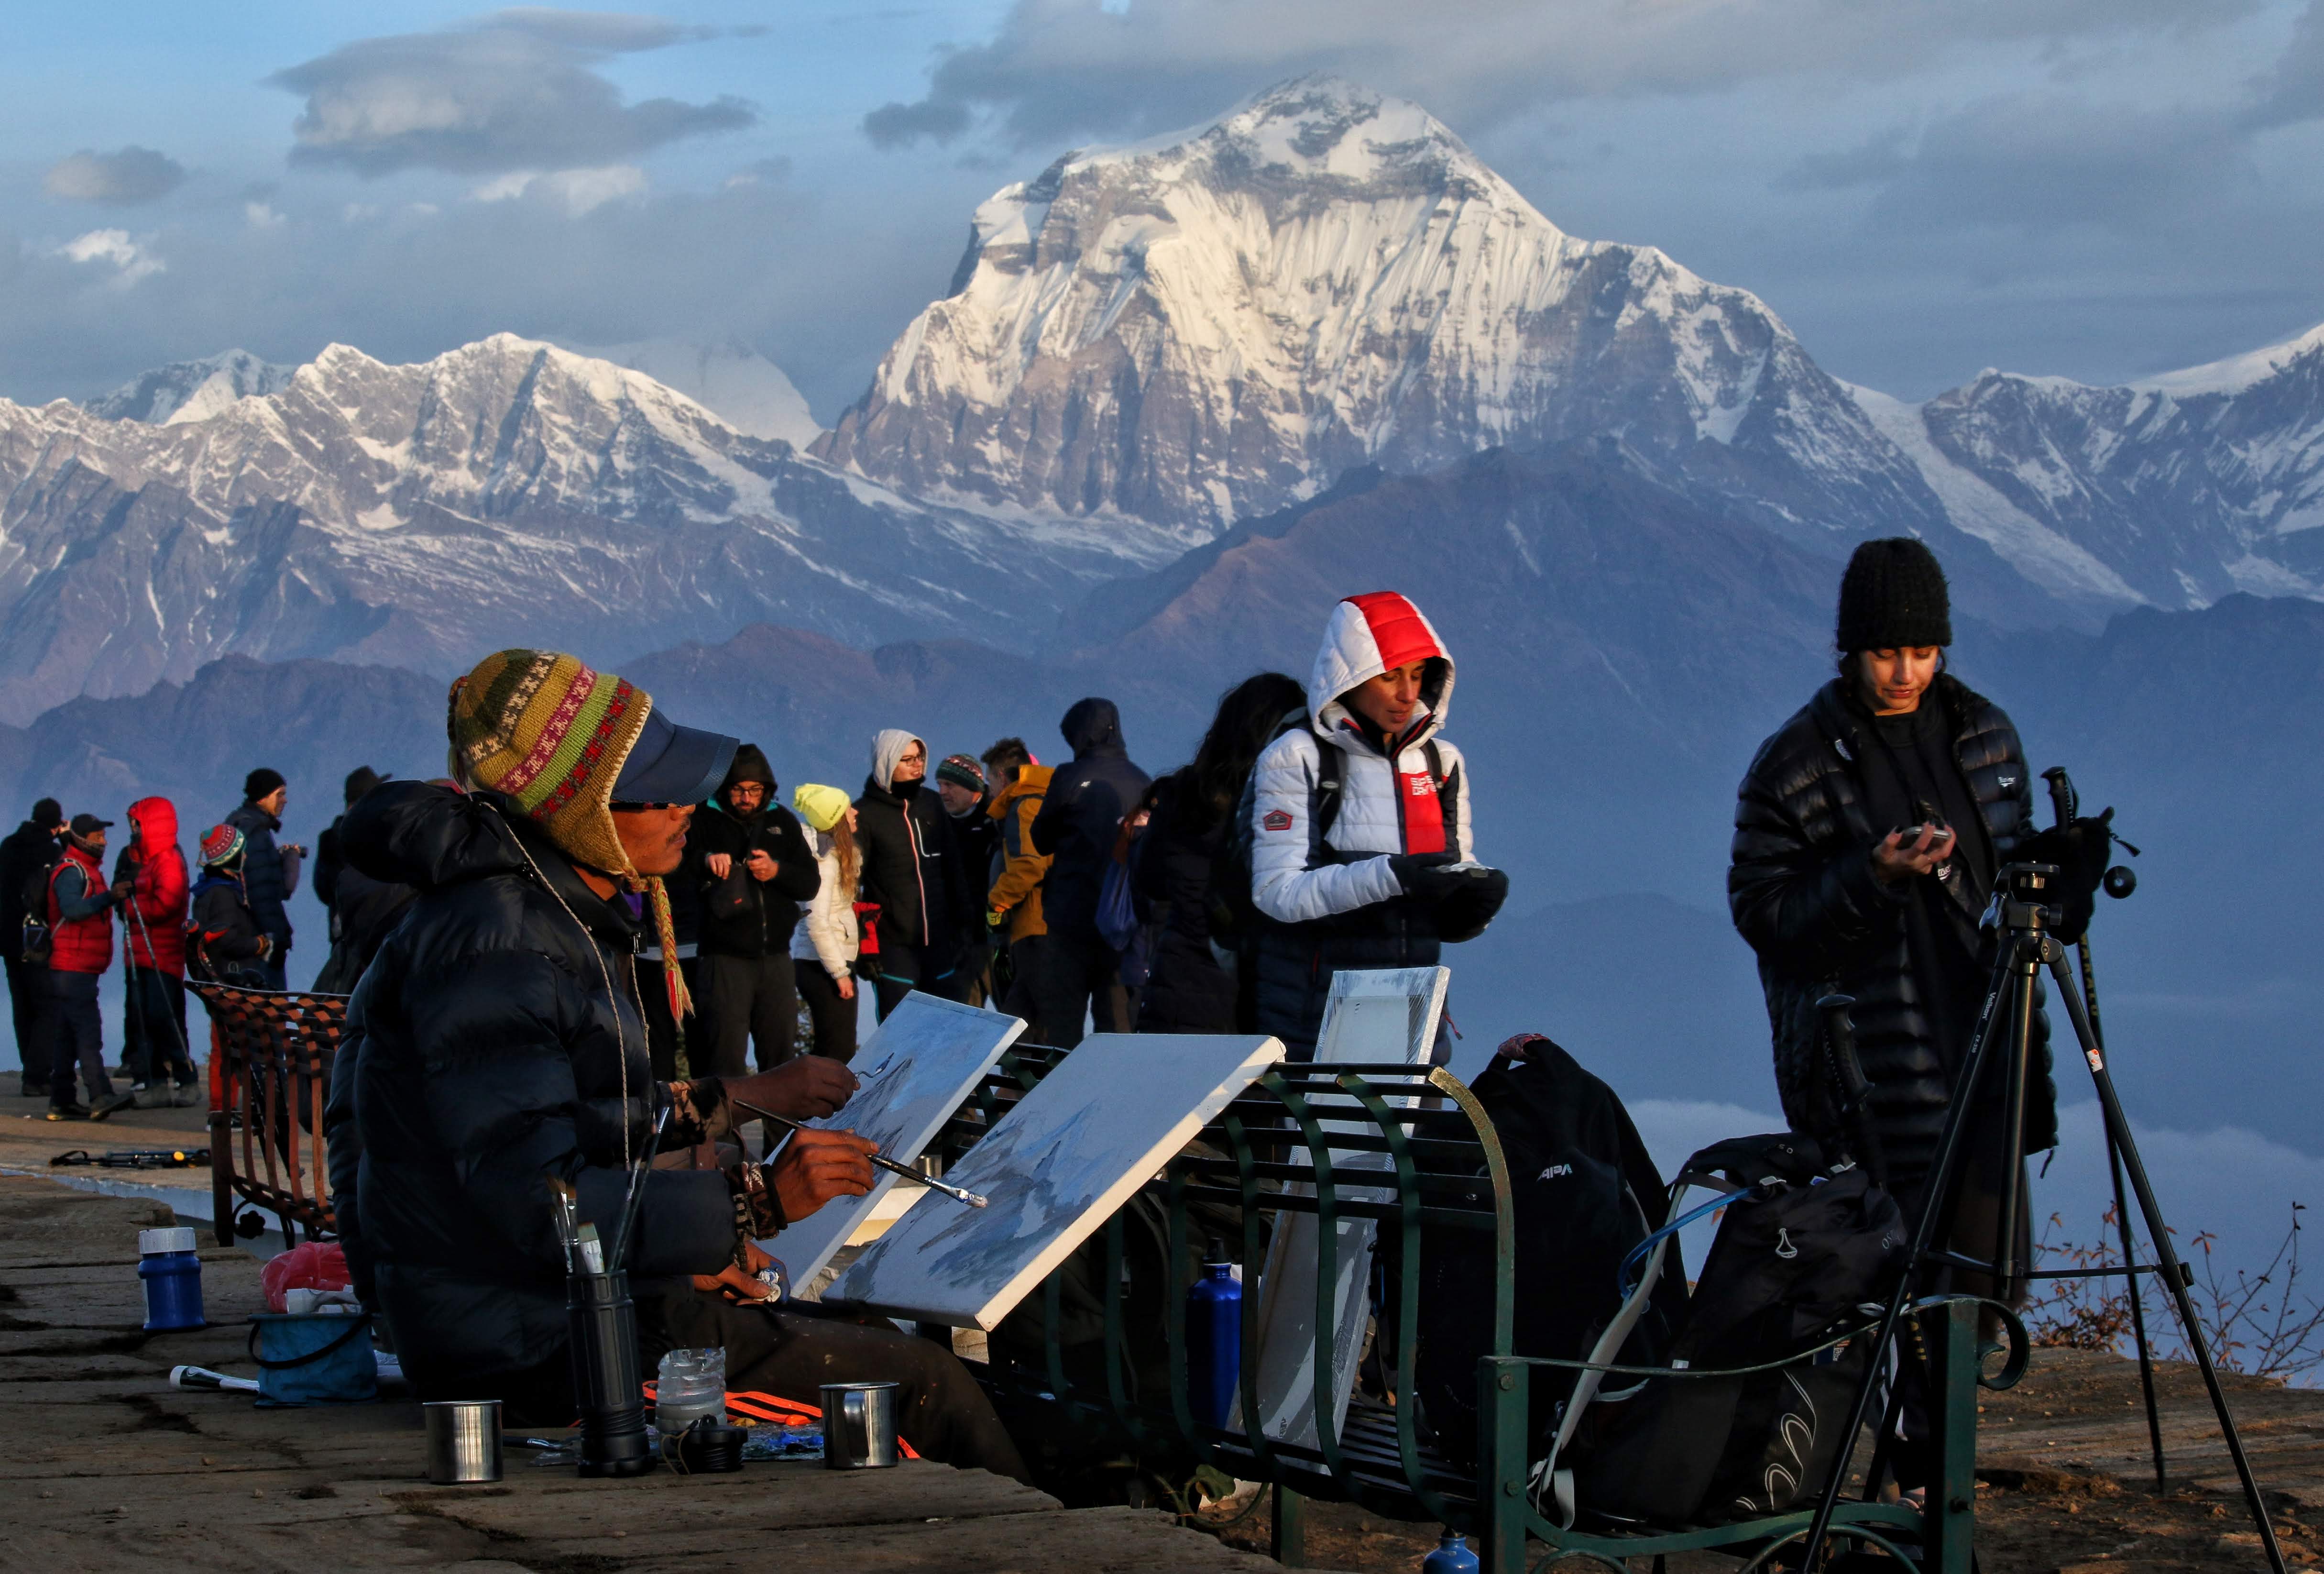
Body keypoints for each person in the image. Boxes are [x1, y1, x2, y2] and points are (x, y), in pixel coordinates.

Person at [340, 649, 1026, 1477]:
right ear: (578, 809)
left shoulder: (539, 910)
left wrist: (729, 1103)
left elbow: (562, 1124)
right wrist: (755, 1201)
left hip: (539, 1309)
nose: (682, 810)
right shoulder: (504, 940)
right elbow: (534, 1203)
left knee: (884, 1348)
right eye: (651, 795)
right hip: (533, 1349)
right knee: (920, 1389)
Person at [1729, 538, 2050, 1301]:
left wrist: (2058, 874)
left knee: (1992, 1288)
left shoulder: (1987, 739)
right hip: (1873, 1075)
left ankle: (1955, 1420)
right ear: (1850, 651)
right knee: (1893, 1294)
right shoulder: (1794, 764)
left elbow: (2010, 881)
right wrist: (1871, 875)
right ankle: (1905, 1423)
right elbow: (1764, 913)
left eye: (1922, 650)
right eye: (1885, 652)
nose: (1905, 673)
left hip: (1989, 1052)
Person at [1246, 594, 1506, 1058]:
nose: (1408, 694)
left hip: (1414, 1014)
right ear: (1349, 679)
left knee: (1410, 1131)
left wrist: (1473, 907)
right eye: (1389, 677)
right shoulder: (1298, 758)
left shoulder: (1441, 763)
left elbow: (1448, 879)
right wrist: (1390, 877)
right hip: (1315, 1019)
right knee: (1327, 1133)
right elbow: (1276, 893)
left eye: (1418, 675)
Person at [1135, 672, 1306, 1033]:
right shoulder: (1291, 808)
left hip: (1177, 991)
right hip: (1261, 1001)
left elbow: (1149, 880)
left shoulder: (1179, 794)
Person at [691, 745, 820, 1077]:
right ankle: (725, 1130)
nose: (746, 798)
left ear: (767, 788)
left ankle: (785, 1131)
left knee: (780, 1059)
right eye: (738, 789)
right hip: (723, 960)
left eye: (755, 790)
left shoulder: (782, 821)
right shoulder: (703, 818)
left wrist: (777, 872)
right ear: (726, 787)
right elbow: (674, 867)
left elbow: (810, 883)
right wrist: (707, 861)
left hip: (776, 958)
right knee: (725, 1058)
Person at [1029, 700, 1151, 1046]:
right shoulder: (1143, 781)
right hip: (1122, 926)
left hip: (1070, 920)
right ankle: (1114, 1097)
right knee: (1115, 1027)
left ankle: (1058, 1096)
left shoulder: (1068, 777)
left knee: (1061, 1027)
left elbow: (1041, 840)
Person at [855, 731, 976, 1016]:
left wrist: (965, 925)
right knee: (899, 1031)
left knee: (949, 1027)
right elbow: (853, 887)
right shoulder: (864, 815)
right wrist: (866, 946)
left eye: (920, 757)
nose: (917, 765)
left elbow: (953, 866)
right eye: (907, 759)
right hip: (894, 948)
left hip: (941, 941)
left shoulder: (933, 803)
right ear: (886, 763)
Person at [40, 814, 132, 1120]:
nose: (104, 842)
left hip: (74, 966)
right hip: (72, 966)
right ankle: (100, 1094)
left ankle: (61, 1100)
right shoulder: (72, 872)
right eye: (98, 838)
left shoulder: (84, 869)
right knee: (87, 1032)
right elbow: (72, 909)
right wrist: (109, 898)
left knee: (67, 1034)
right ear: (82, 840)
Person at [115, 797, 196, 1107]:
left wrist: (133, 907)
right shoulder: (147, 860)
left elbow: (169, 903)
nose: (132, 828)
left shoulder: (168, 860)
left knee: (164, 1016)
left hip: (162, 952)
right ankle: (154, 1081)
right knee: (143, 1018)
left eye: (136, 823)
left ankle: (185, 1077)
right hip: (140, 951)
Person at [981, 741, 1055, 1038]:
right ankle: (1020, 1083)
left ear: (1002, 777)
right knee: (1021, 1027)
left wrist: (996, 904)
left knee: (1025, 1028)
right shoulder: (1042, 801)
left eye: (989, 782)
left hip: (1038, 929)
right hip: (1040, 930)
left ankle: (1039, 1082)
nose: (989, 791)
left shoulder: (1026, 806)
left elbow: (1031, 864)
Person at [789, 784, 862, 1062]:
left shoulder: (834, 855)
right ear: (836, 820)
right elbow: (816, 920)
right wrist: (839, 973)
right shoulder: (824, 861)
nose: (855, 812)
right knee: (836, 1053)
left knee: (837, 1050)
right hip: (822, 966)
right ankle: (823, 1105)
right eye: (848, 809)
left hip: (826, 962)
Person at [1, 798, 64, 1096]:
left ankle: (31, 1069)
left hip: (9, 940)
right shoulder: (51, 852)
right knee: (47, 1007)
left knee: (22, 1006)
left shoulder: (9, 846)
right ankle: (38, 1075)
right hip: (37, 939)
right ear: (56, 824)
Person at [226, 769, 300, 989]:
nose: (285, 800)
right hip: (261, 945)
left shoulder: (238, 825)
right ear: (263, 796)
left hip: (242, 939)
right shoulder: (256, 832)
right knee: (271, 1012)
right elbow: (271, 892)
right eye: (280, 794)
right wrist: (291, 859)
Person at [933, 755, 996, 1005]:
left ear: (973, 787)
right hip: (957, 939)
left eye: (950, 785)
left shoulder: (997, 816)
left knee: (1017, 1014)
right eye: (939, 785)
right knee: (963, 1012)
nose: (942, 792)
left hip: (998, 935)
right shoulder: (938, 823)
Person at [188, 825, 276, 988]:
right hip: (234, 978)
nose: (245, 856)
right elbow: (225, 941)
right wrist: (260, 944)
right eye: (240, 852)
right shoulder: (223, 893)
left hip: (221, 976)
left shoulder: (207, 889)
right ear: (229, 857)